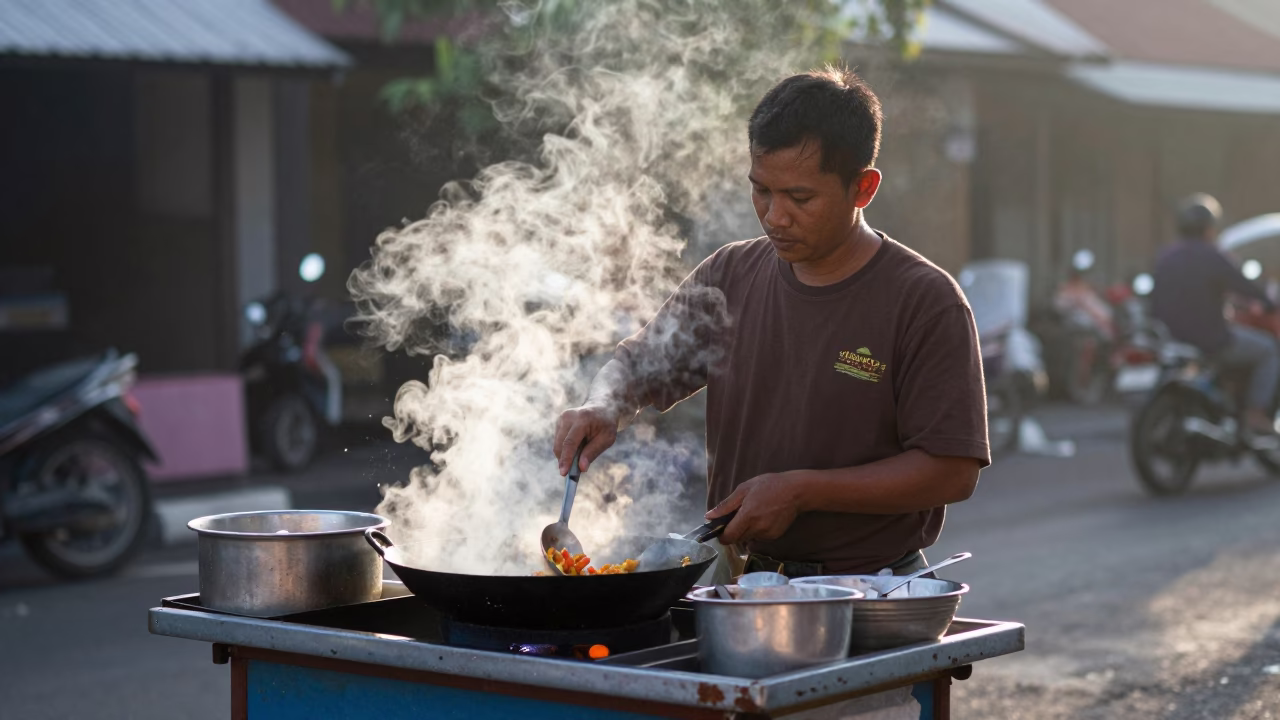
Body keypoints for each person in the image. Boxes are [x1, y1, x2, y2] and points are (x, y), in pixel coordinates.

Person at [553, 67, 988, 577]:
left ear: (863, 188)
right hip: (738, 578)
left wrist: (803, 492)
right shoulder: (730, 275)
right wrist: (604, 404)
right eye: (761, 190)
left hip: (868, 587)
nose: (774, 216)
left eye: (800, 199)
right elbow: (639, 363)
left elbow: (952, 472)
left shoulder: (925, 301)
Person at [1151, 193, 1280, 436]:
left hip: (1170, 337)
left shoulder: (1166, 256)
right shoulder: (1212, 256)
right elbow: (1243, 285)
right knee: (1269, 350)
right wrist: (1267, 300)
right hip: (1210, 338)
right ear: (1209, 228)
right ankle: (1256, 413)